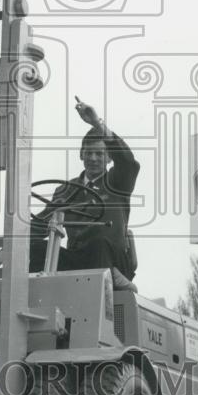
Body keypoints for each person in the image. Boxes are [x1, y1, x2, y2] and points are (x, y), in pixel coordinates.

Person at [30, 97, 139, 291]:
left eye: (99, 154)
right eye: (88, 153)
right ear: (81, 154)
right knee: (35, 249)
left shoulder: (117, 182)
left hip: (111, 257)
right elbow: (40, 223)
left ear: (108, 158)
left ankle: (112, 280)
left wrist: (97, 123)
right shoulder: (67, 189)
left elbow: (128, 162)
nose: (93, 158)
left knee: (98, 240)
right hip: (80, 260)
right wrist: (7, 251)